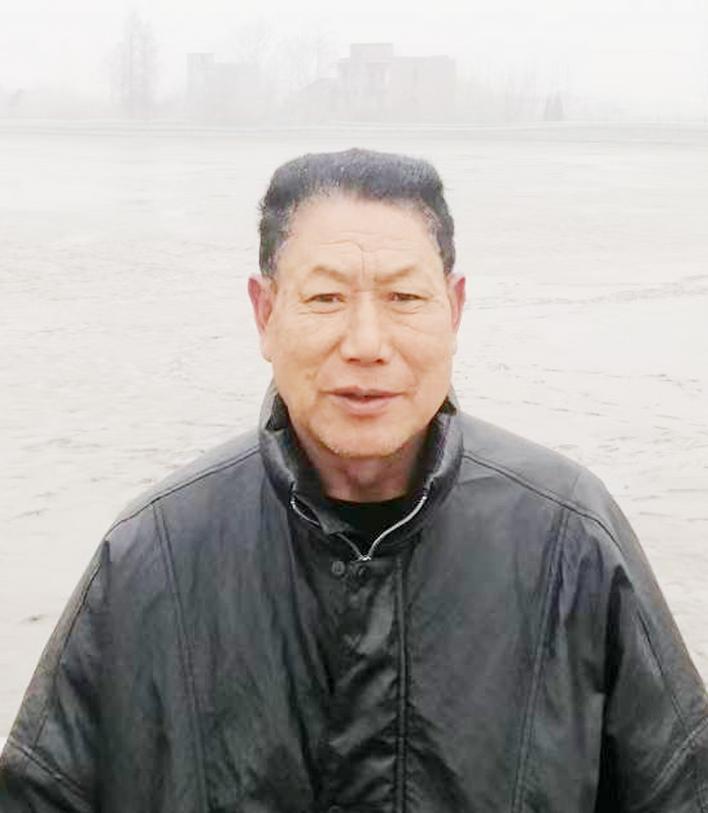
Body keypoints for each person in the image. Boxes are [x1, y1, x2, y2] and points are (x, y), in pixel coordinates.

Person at [1, 147, 706, 812]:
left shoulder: (569, 541)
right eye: (326, 298)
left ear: (455, 309)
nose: (367, 344)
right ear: (265, 313)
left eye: (404, 298)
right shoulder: (153, 556)